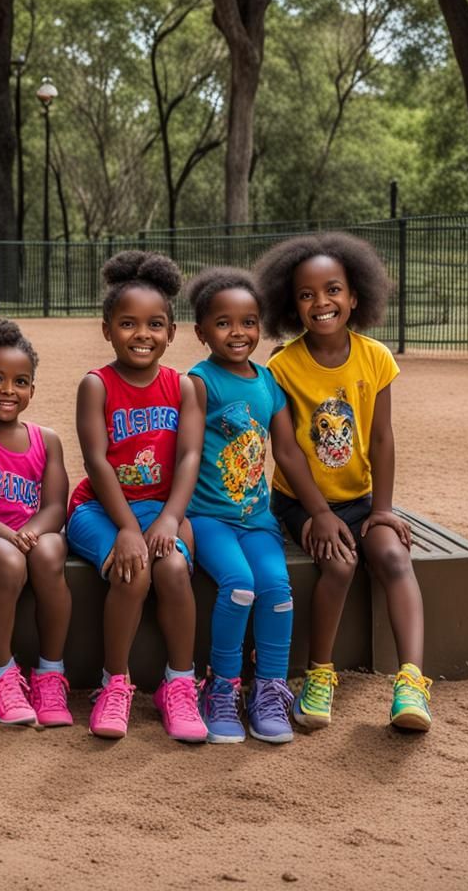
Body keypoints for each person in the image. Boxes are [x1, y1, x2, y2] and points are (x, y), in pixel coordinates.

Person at [255, 232, 432, 732]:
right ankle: (319, 673)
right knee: (338, 563)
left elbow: (382, 439)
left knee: (394, 555)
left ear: (356, 297)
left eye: (333, 290)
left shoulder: (375, 358)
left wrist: (383, 508)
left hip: (361, 498)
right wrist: (319, 513)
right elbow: (285, 451)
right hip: (301, 502)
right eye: (306, 294)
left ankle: (411, 683)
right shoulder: (283, 366)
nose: (321, 302)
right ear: (292, 306)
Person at [184, 267, 356, 745]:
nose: (237, 333)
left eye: (248, 322)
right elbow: (189, 454)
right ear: (201, 332)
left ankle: (270, 690)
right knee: (239, 586)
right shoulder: (199, 383)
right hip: (210, 517)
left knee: (277, 589)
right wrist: (176, 514)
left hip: (257, 520)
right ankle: (221, 688)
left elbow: (287, 452)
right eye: (223, 323)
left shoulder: (267, 382)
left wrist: (320, 511)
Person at [67, 250, 207, 742]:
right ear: (107, 329)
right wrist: (127, 528)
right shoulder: (96, 385)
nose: (142, 334)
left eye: (155, 324)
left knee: (170, 569)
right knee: (133, 569)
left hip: (160, 509)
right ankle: (115, 682)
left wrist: (170, 519)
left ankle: (180, 684)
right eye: (128, 323)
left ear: (171, 332)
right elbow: (96, 461)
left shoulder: (183, 386)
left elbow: (189, 456)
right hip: (99, 509)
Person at [0, 318, 73, 726]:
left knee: (48, 554)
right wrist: (5, 533)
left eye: (21, 381)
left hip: (35, 533)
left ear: (32, 387)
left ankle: (50, 672)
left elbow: (55, 506)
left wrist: (32, 529)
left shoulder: (46, 439)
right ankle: (1, 674)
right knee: (7, 560)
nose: (9, 390)